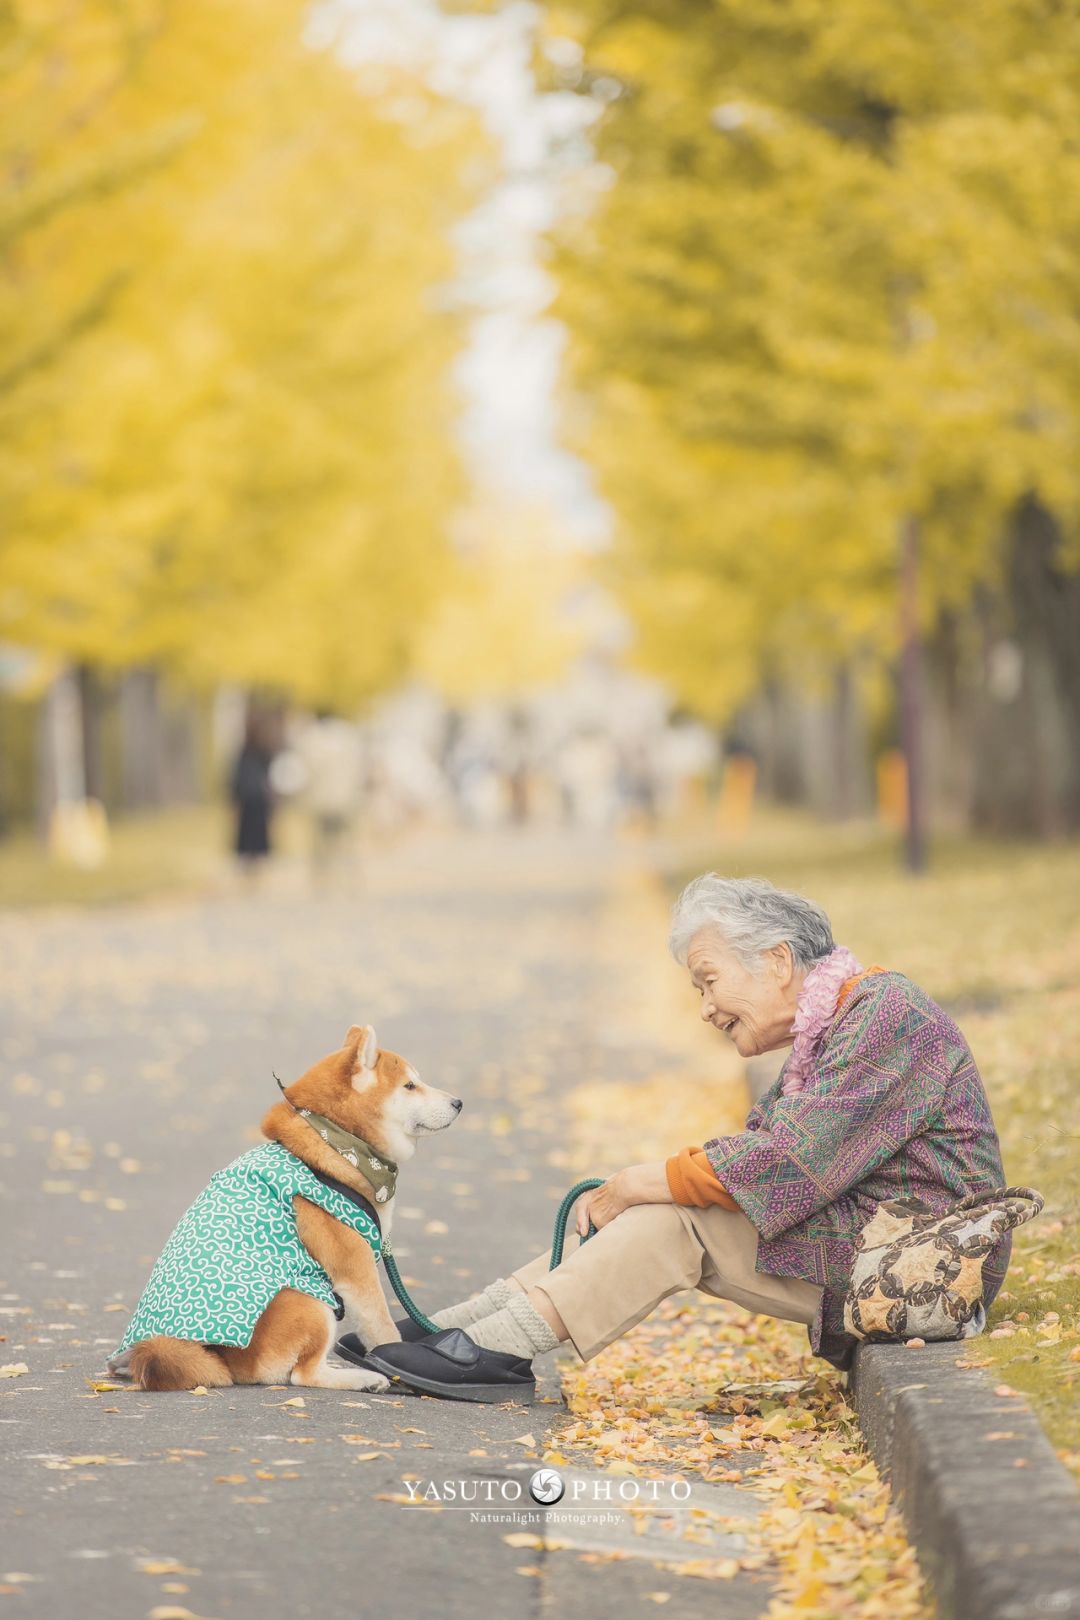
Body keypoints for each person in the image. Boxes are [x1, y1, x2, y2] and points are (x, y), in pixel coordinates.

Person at [365, 875, 1010, 1380]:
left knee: (677, 1216)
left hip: (929, 1267)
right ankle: (461, 1331)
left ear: (777, 961)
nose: (705, 1008)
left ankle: (492, 1348)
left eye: (709, 982)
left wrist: (641, 1181)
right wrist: (648, 1185)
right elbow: (763, 1153)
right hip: (881, 1243)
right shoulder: (835, 1023)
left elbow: (787, 1166)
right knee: (662, 1204)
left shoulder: (887, 1016)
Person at [229, 715, 274, 880]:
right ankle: (255, 863)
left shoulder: (247, 752)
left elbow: (237, 777)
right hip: (257, 796)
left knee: (248, 831)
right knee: (255, 831)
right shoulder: (262, 751)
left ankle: (250, 863)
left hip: (249, 796)